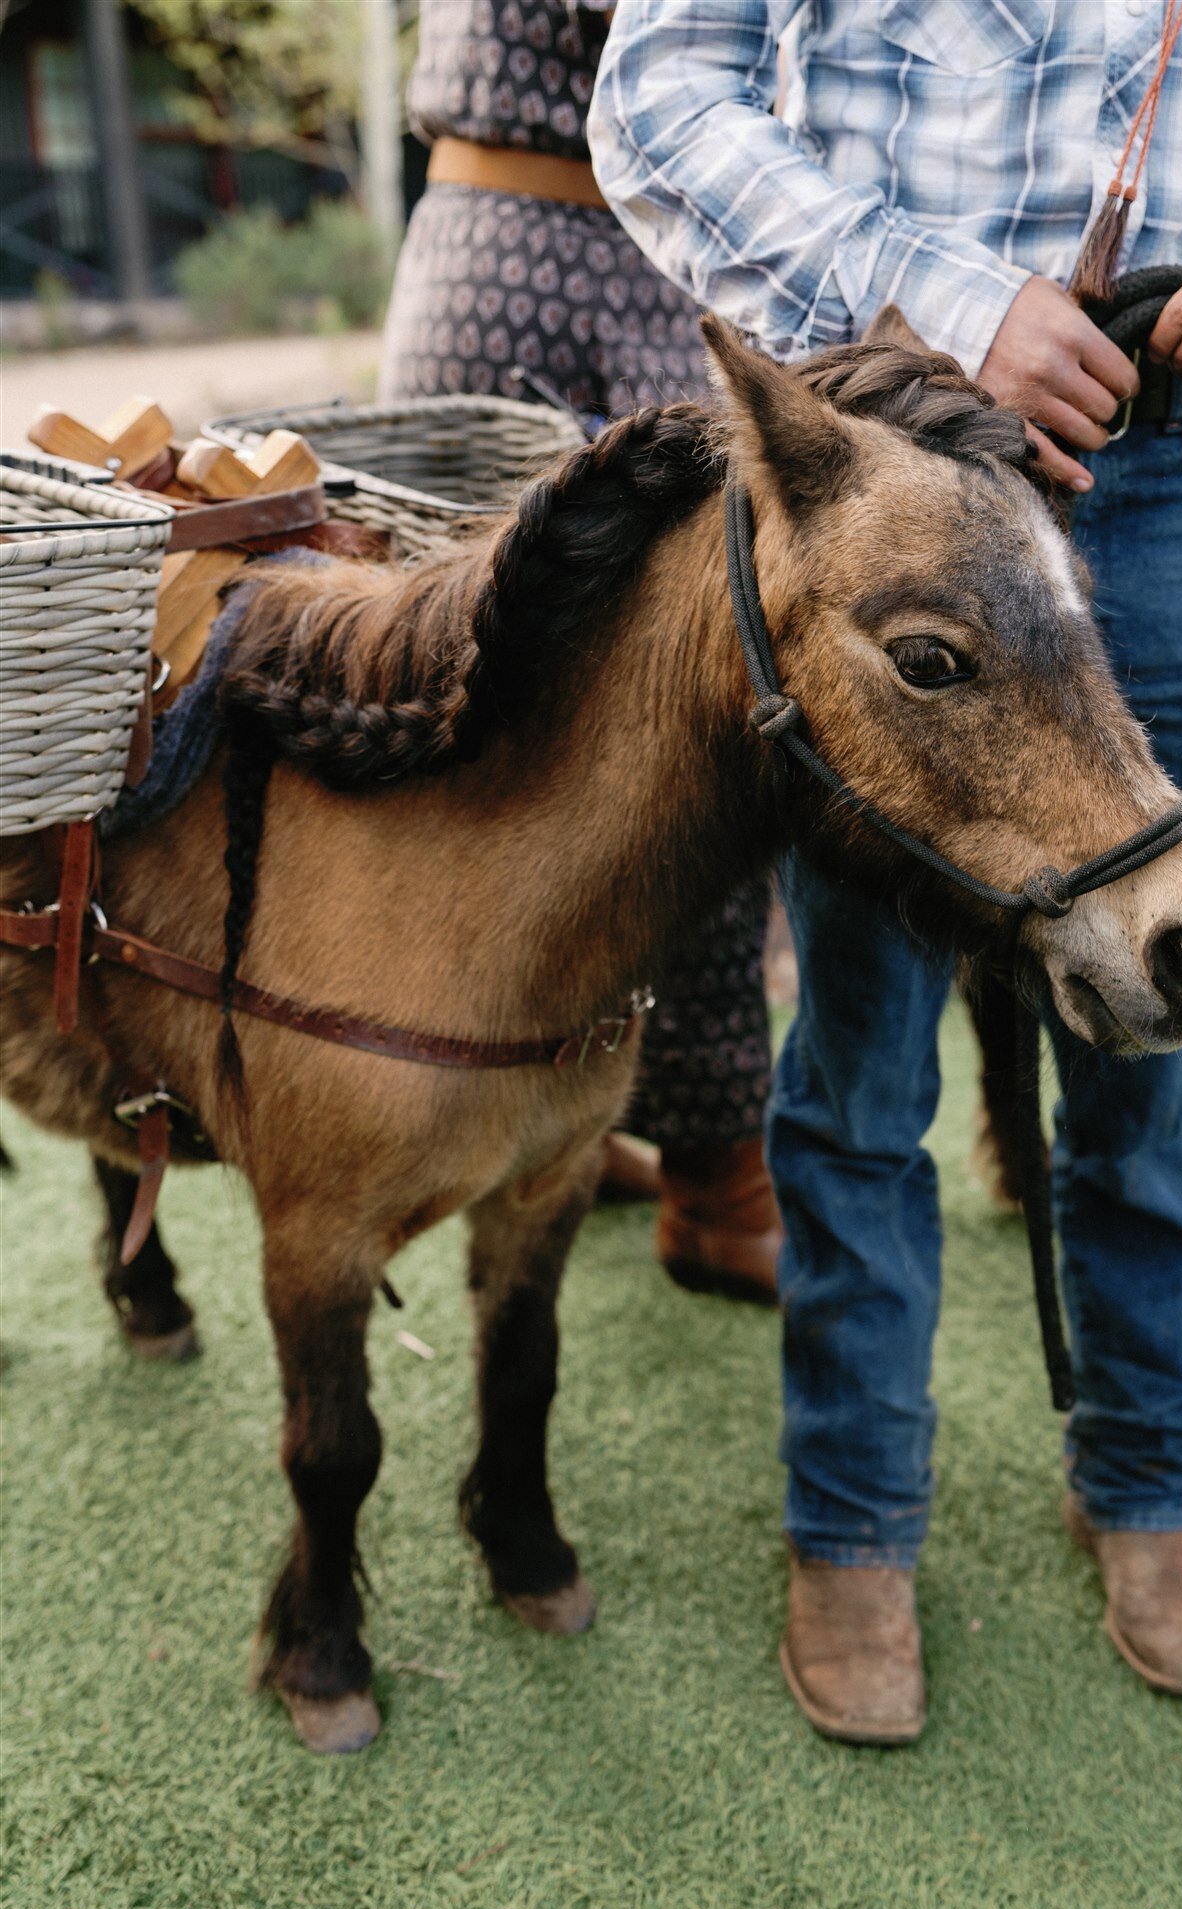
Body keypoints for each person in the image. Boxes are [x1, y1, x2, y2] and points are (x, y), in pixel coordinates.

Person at [590, 0, 1182, 1740]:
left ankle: (1147, 1487)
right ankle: (852, 1523)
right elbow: (658, 85)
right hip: (893, 468)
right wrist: (939, 289)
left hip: (1179, 469)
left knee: (1161, 1020)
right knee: (858, 1066)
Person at [379, 0, 783, 1305]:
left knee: (561, 713)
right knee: (676, 716)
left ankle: (597, 1117)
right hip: (593, 269)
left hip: (501, 252)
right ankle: (713, 1174)